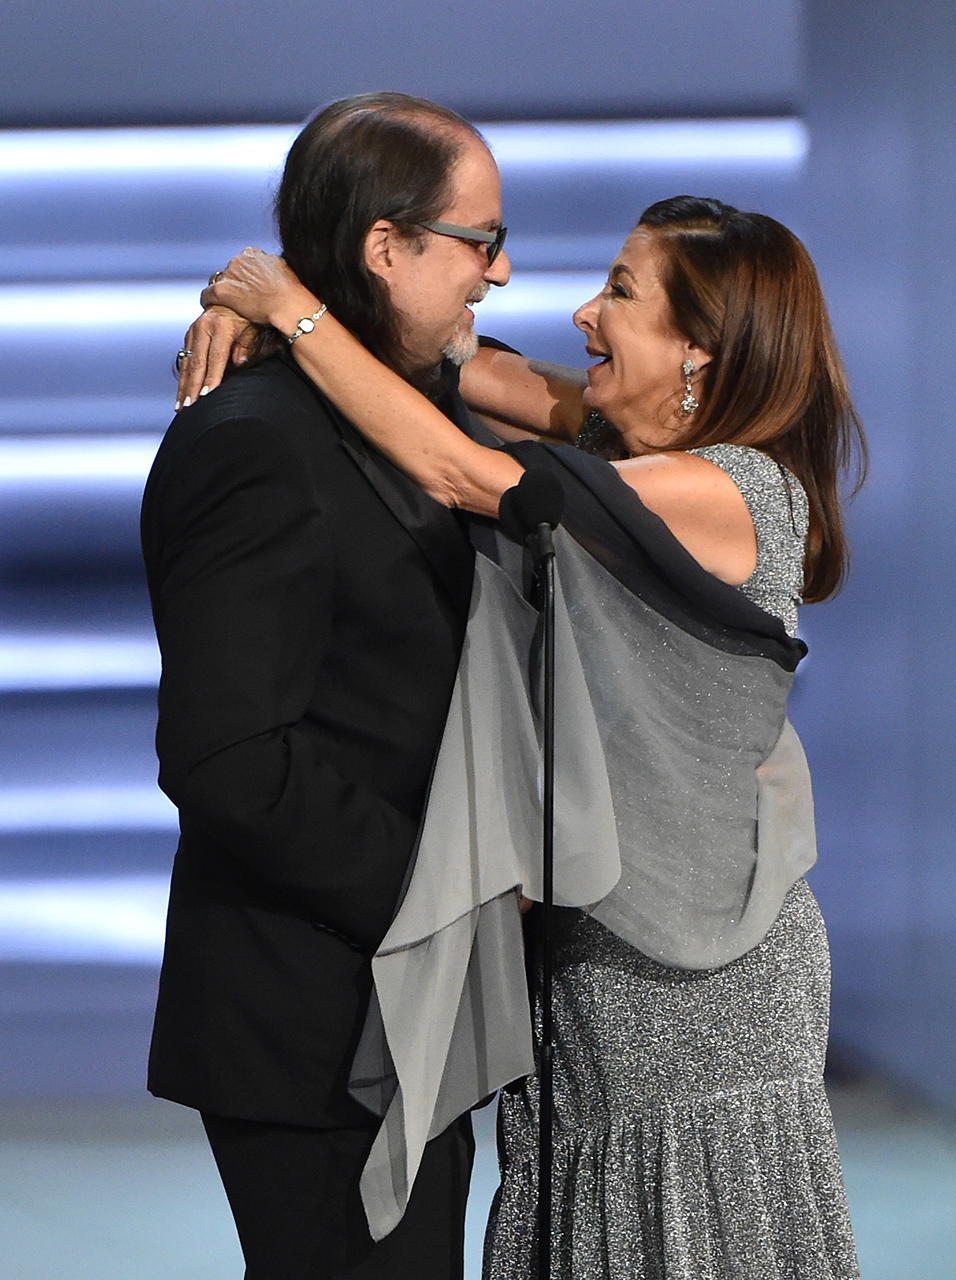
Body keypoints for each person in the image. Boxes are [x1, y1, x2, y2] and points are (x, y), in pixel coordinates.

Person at [189, 194, 866, 1279]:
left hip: (700, 986)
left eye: (621, 293)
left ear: (697, 349)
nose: (585, 312)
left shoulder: (730, 490)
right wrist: (269, 306)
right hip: (591, 968)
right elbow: (452, 357)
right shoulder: (613, 449)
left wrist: (289, 309)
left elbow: (462, 472)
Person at [142, 91, 513, 1280]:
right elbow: (229, 756)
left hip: (403, 1008)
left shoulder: (414, 407)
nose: (500, 272)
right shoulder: (256, 438)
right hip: (312, 1016)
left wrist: (261, 299)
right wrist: (439, 891)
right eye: (481, 239)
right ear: (385, 244)